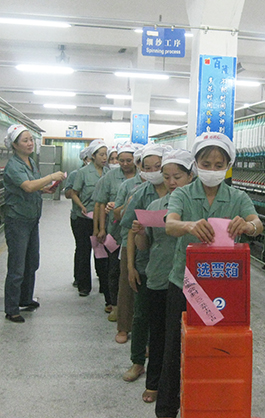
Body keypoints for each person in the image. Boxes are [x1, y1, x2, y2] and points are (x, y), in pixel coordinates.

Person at [158, 132, 263, 418]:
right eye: (206, 164)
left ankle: (211, 403)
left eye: (219, 165)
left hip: (223, 287)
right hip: (185, 284)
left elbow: (257, 223)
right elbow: (170, 224)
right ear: (196, 164)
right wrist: (189, 226)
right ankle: (166, 409)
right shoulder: (182, 193)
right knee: (175, 347)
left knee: (215, 347)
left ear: (228, 166)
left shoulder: (237, 197)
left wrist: (249, 227)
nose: (212, 169)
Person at [132, 149, 194, 404]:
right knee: (158, 334)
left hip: (188, 280)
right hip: (159, 277)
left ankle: (186, 384)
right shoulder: (155, 207)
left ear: (190, 176)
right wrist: (139, 232)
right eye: (166, 177)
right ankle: (154, 382)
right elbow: (145, 246)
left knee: (185, 336)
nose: (171, 182)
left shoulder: (195, 207)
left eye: (177, 177)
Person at [2, 124, 65, 323]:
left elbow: (34, 186)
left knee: (31, 262)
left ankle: (25, 298)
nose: (30, 143)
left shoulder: (30, 162)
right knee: (17, 266)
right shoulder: (13, 166)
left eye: (31, 140)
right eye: (25, 140)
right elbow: (28, 186)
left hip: (31, 219)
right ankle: (12, 308)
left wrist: (44, 189)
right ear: (14, 145)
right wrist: (51, 177)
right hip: (18, 220)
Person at [119, 143, 168, 384]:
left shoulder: (180, 192)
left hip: (171, 264)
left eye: (157, 166)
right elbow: (131, 230)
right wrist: (130, 267)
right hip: (146, 263)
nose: (152, 172)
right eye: (147, 167)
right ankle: (138, 361)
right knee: (141, 315)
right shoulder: (141, 193)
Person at [93, 142, 138, 322]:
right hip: (115, 231)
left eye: (129, 160)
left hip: (135, 232)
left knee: (133, 268)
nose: (125, 164)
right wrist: (101, 228)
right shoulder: (110, 177)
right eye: (121, 160)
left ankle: (131, 307)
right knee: (113, 269)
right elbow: (100, 203)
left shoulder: (142, 177)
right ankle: (114, 304)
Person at [110, 145, 145, 341]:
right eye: (145, 166)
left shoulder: (164, 186)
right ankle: (123, 327)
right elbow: (116, 213)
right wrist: (128, 204)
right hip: (128, 239)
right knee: (126, 282)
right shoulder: (128, 186)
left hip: (151, 241)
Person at [70, 140, 110, 300]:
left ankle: (104, 285)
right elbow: (74, 193)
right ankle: (84, 286)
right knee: (84, 250)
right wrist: (81, 206)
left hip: (102, 218)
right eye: (101, 155)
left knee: (102, 251)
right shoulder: (83, 172)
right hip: (84, 218)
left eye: (106, 154)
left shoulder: (109, 173)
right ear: (93, 156)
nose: (104, 158)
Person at [65, 145, 92, 288]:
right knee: (82, 248)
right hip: (79, 217)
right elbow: (67, 193)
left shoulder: (104, 173)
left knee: (99, 249)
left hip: (97, 217)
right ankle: (80, 280)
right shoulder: (75, 174)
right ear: (85, 159)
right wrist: (80, 189)